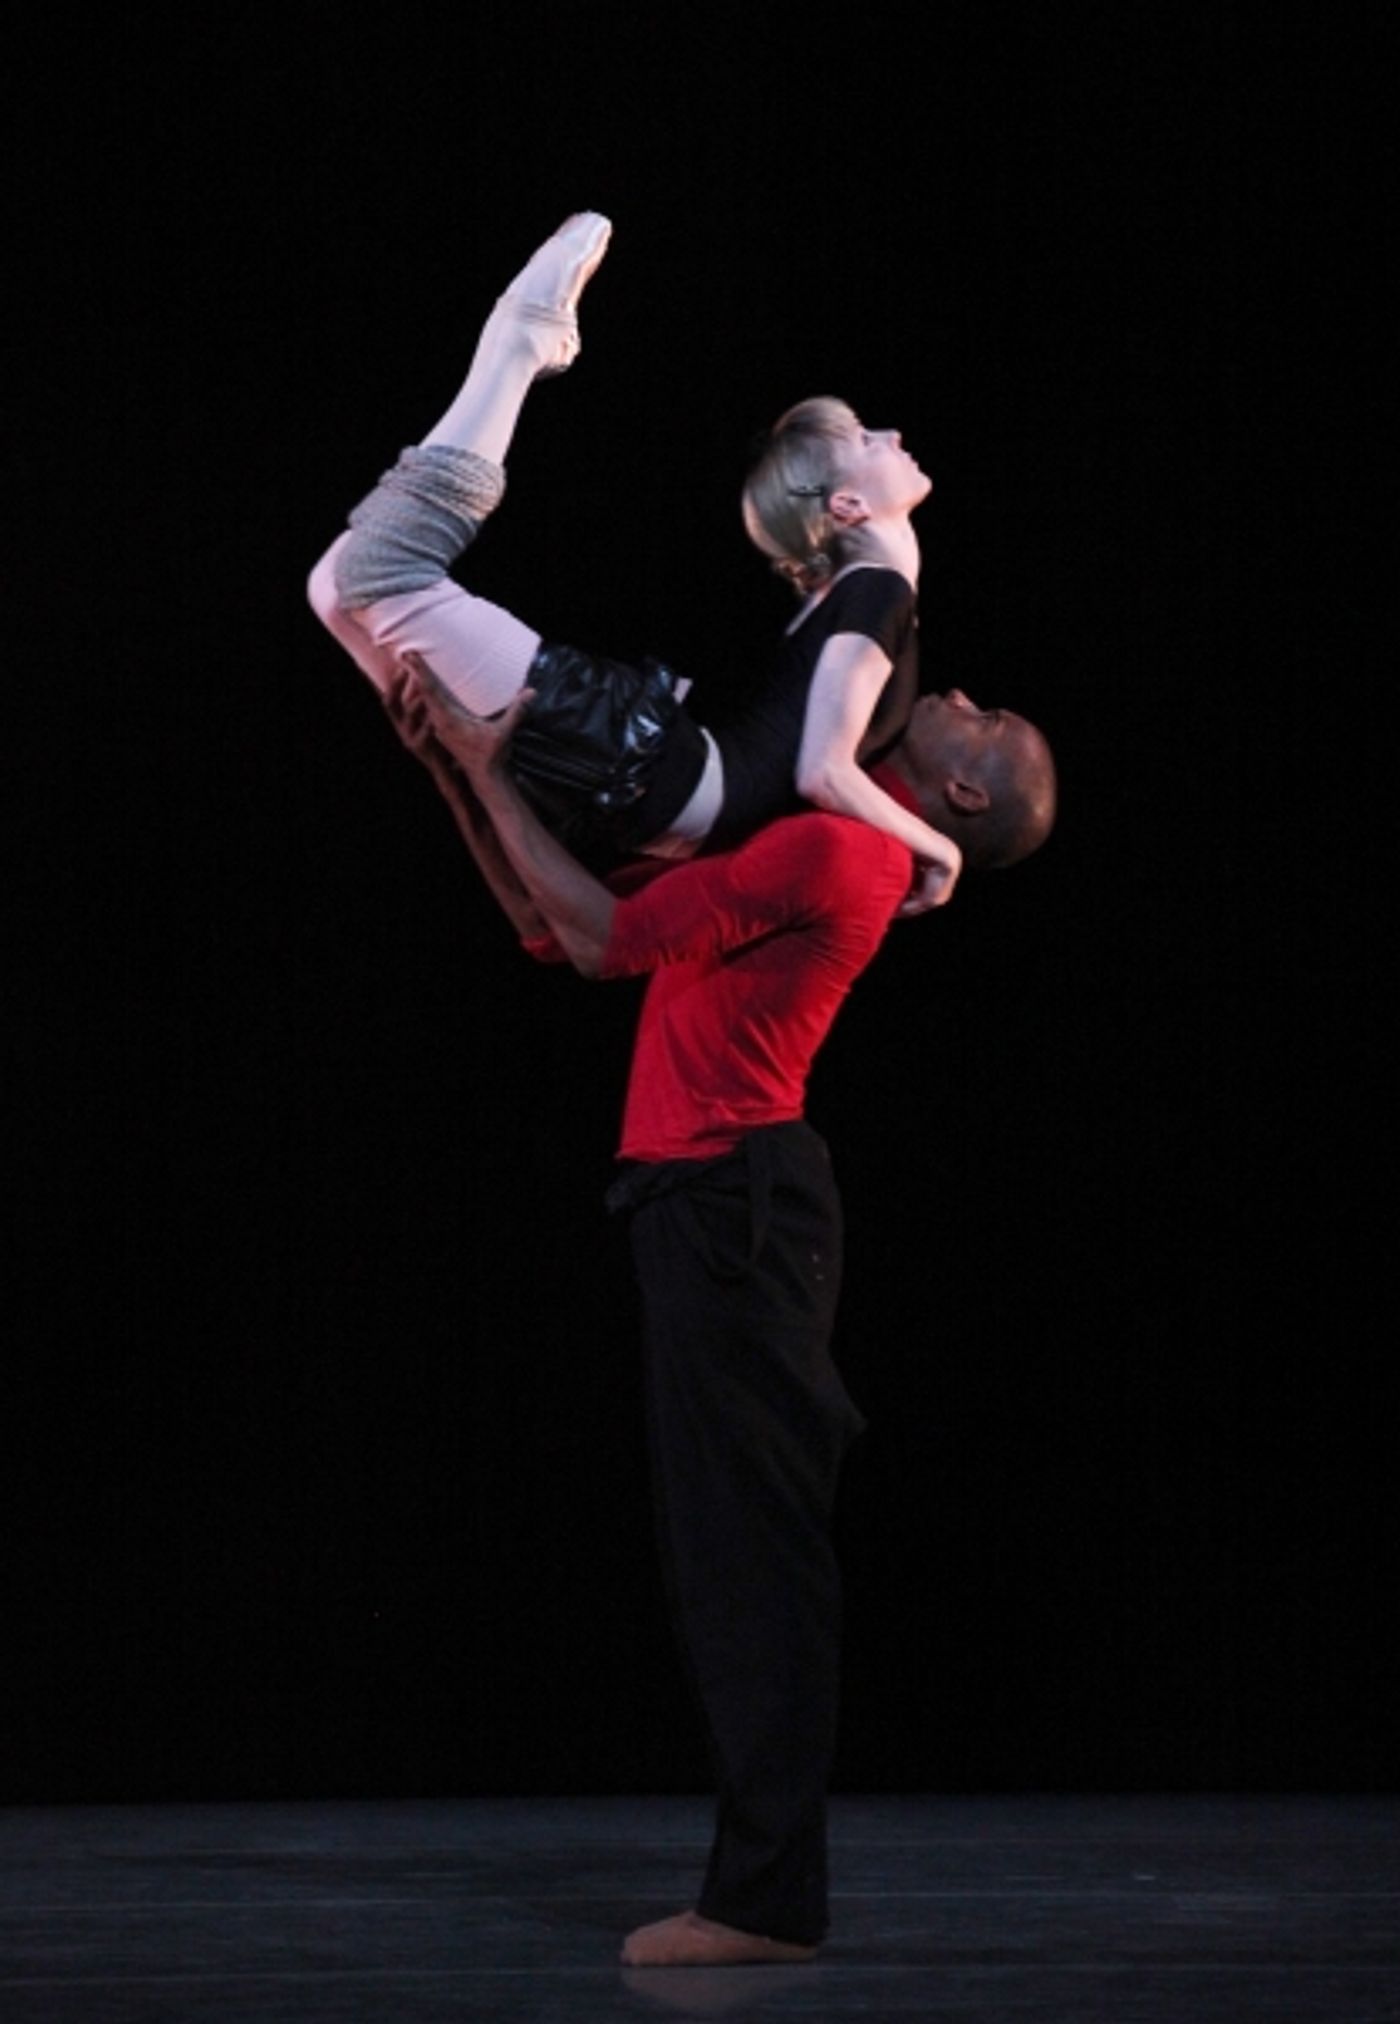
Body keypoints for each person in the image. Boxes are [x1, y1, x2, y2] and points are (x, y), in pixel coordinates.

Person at [383, 649, 1057, 1966]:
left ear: (964, 795)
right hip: (708, 1203)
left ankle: (763, 1903)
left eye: (990, 716)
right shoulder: (817, 829)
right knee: (726, 1549)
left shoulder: (841, 857)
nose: (964, 693)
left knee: (752, 1556)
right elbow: (556, 924)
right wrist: (452, 774)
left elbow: (601, 934)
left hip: (737, 1209)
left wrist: (480, 765)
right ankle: (761, 1892)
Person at [306, 213, 965, 913]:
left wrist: (942, 848)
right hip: (657, 783)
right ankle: (521, 346)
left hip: (655, 771)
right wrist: (938, 843)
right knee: (342, 583)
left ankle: (520, 347)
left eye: (865, 438)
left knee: (372, 575)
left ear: (851, 507)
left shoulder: (874, 592)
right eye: (872, 438)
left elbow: (822, 770)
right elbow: (822, 768)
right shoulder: (870, 591)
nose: (892, 436)